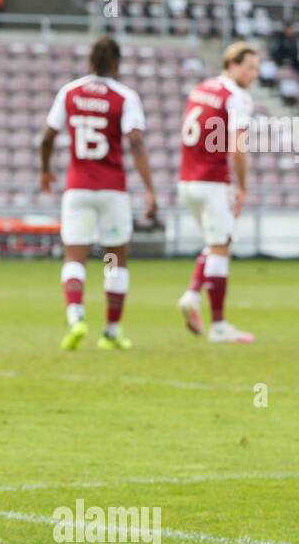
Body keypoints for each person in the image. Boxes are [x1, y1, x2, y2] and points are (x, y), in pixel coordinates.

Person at [39, 36, 157, 351]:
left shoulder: (70, 92)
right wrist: (149, 188)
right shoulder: (124, 96)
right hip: (112, 190)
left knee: (74, 257)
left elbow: (47, 137)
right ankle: (112, 331)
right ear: (117, 64)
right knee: (114, 260)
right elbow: (135, 142)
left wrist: (45, 170)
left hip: (78, 188)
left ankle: (76, 317)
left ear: (90, 62)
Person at [175, 42, 259, 343]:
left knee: (213, 243)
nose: (253, 74)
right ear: (232, 64)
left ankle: (192, 294)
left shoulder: (201, 88)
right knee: (221, 246)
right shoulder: (237, 97)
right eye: (249, 67)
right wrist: (243, 186)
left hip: (187, 180)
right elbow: (237, 145)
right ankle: (219, 325)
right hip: (212, 179)